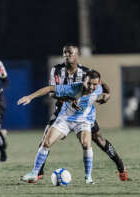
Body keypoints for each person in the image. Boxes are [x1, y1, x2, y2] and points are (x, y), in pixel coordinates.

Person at [37, 44, 129, 181]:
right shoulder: (56, 70)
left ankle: (121, 168)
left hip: (82, 113)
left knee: (98, 139)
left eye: (70, 53)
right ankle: (38, 173)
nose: (67, 55)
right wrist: (69, 98)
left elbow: (102, 84)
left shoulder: (86, 72)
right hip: (62, 110)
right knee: (45, 140)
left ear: (77, 54)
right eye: (65, 53)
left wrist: (107, 94)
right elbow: (51, 93)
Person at [18, 71, 102, 184]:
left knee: (86, 144)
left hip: (83, 120)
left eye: (94, 84)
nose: (91, 87)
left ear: (98, 83)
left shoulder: (99, 89)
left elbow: (104, 89)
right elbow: (49, 89)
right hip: (65, 119)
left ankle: (88, 178)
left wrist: (107, 95)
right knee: (46, 143)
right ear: (84, 81)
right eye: (89, 83)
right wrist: (30, 97)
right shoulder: (72, 88)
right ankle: (34, 173)